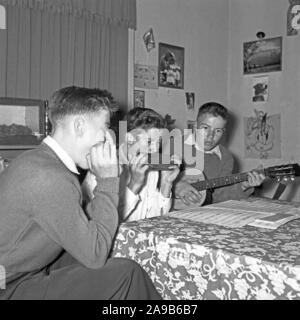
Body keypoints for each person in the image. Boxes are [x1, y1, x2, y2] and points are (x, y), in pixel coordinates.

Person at [0, 86, 161, 300]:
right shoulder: (49, 177)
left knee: (114, 258)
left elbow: (85, 226)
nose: (107, 140)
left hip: (29, 267)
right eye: (105, 130)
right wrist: (108, 180)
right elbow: (94, 254)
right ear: (79, 126)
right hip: (10, 284)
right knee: (127, 274)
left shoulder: (40, 160)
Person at [82, 107, 180, 222]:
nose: (154, 149)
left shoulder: (149, 168)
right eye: (149, 141)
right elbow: (104, 223)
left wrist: (166, 183)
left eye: (158, 142)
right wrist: (135, 184)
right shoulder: (102, 168)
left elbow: (155, 217)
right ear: (129, 138)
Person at [174, 102, 265, 207]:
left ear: (223, 132)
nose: (210, 136)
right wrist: (176, 186)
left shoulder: (225, 157)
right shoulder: (174, 146)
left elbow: (218, 197)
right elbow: (152, 182)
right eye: (205, 128)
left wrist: (244, 185)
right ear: (195, 126)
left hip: (201, 214)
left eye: (218, 131)